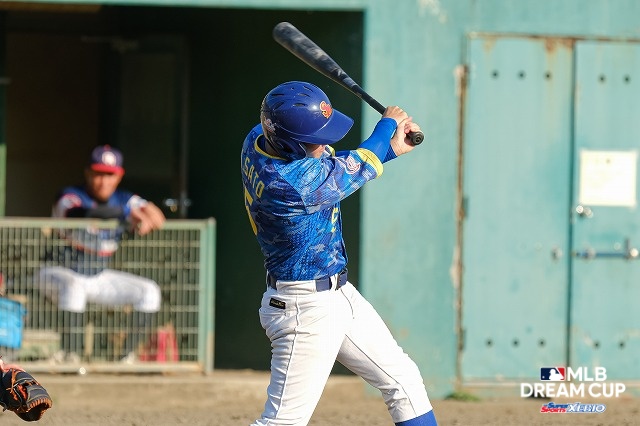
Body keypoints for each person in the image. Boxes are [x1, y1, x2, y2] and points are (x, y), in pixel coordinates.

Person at [241, 81, 437, 426]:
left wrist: (389, 147)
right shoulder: (290, 184)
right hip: (304, 308)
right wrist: (387, 126)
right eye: (314, 139)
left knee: (404, 381)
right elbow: (353, 166)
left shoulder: (257, 139)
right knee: (282, 422)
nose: (324, 144)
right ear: (287, 142)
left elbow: (344, 166)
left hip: (337, 294)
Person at [39, 144, 166, 362]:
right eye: (98, 174)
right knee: (74, 286)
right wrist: (127, 213)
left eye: (110, 175)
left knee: (149, 291)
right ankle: (70, 356)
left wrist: (145, 216)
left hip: (96, 275)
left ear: (119, 176)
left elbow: (158, 217)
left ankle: (125, 359)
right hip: (56, 272)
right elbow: (81, 213)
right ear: (88, 173)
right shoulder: (70, 195)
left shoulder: (124, 199)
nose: (104, 181)